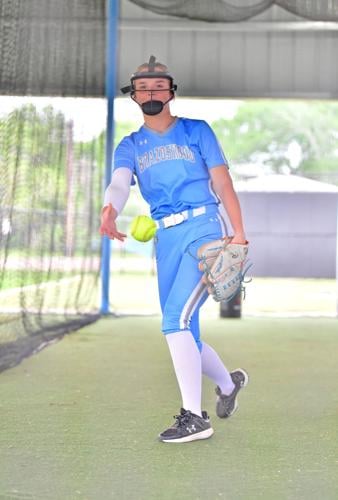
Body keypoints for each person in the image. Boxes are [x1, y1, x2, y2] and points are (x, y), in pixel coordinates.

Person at [100, 55, 249, 444]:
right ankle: (228, 385)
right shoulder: (131, 145)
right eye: (143, 87)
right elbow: (119, 183)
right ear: (133, 95)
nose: (151, 93)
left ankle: (194, 417)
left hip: (204, 229)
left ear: (171, 92)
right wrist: (109, 208)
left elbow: (223, 184)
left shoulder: (196, 131)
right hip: (166, 240)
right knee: (185, 329)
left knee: (174, 322)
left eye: (158, 87)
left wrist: (239, 234)